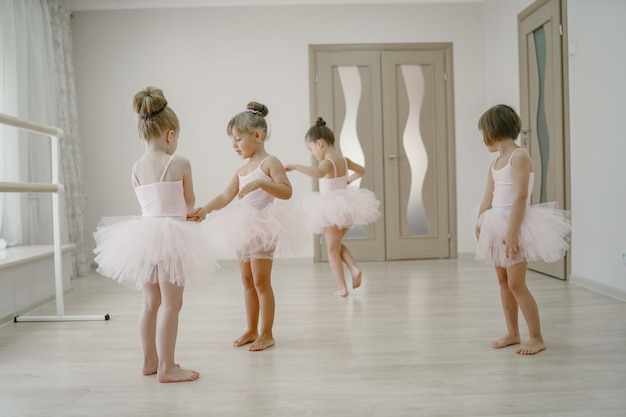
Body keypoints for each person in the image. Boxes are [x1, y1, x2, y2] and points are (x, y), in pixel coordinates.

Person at [93, 87, 218, 382]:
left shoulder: (135, 167)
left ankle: (150, 360)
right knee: (172, 303)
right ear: (170, 134)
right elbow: (188, 202)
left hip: (144, 236)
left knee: (150, 302)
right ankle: (168, 367)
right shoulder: (179, 163)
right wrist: (190, 212)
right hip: (172, 236)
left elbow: (148, 204)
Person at [192, 101, 303, 351]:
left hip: (263, 227)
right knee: (246, 280)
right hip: (242, 228)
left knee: (262, 281)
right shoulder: (241, 170)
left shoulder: (270, 163)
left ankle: (267, 333)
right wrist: (204, 210)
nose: (234, 145)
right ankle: (251, 329)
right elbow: (224, 197)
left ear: (257, 136)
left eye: (238, 139)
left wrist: (261, 184)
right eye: (231, 140)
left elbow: (287, 191)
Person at [475, 104, 571, 355]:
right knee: (503, 281)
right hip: (496, 224)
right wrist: (480, 222)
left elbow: (519, 197)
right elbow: (488, 196)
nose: (482, 136)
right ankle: (513, 332)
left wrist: (513, 233)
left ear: (494, 130)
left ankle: (536, 337)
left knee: (517, 284)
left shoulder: (520, 156)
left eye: (483, 131)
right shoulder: (496, 162)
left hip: (514, 225)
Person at [285, 117, 381, 297]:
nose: (312, 154)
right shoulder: (344, 160)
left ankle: (342, 287)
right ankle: (353, 269)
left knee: (331, 249)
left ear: (319, 144)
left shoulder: (326, 162)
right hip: (347, 207)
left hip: (330, 209)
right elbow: (362, 170)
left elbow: (319, 172)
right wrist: (350, 179)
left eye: (311, 149)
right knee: (335, 244)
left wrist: (296, 167)